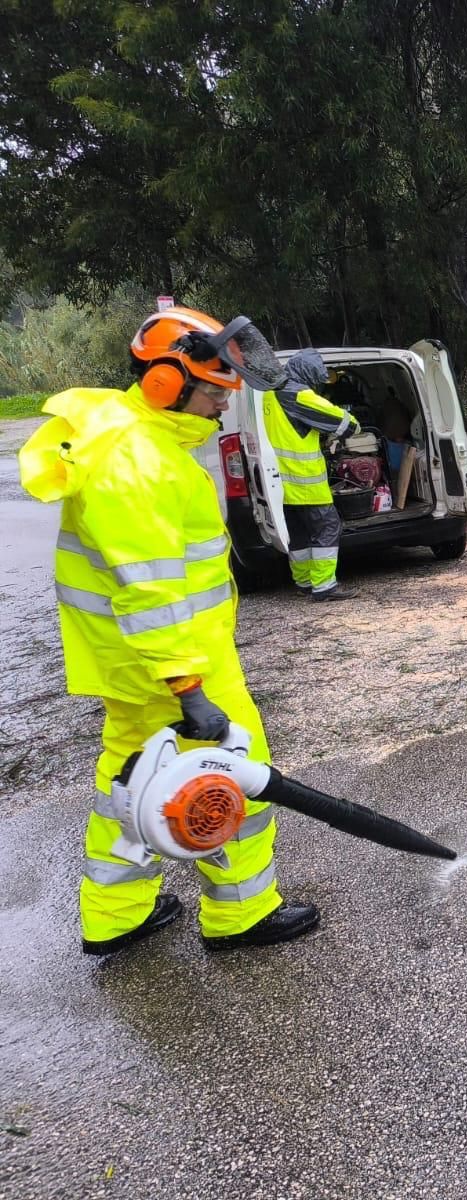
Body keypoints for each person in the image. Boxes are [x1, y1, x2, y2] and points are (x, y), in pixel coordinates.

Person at [18, 307, 320, 955]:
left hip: (135, 665)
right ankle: (242, 913)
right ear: (163, 382)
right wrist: (188, 687)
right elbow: (148, 589)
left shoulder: (130, 436)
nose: (219, 409)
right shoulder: (137, 461)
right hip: (175, 668)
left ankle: (115, 912)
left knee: (128, 782)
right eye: (214, 393)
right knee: (235, 776)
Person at [262, 350, 360, 600]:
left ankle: (304, 581)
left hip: (279, 485)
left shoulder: (269, 394)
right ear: (306, 375)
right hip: (306, 482)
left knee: (299, 534)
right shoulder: (299, 395)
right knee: (328, 527)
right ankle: (324, 585)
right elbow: (346, 424)